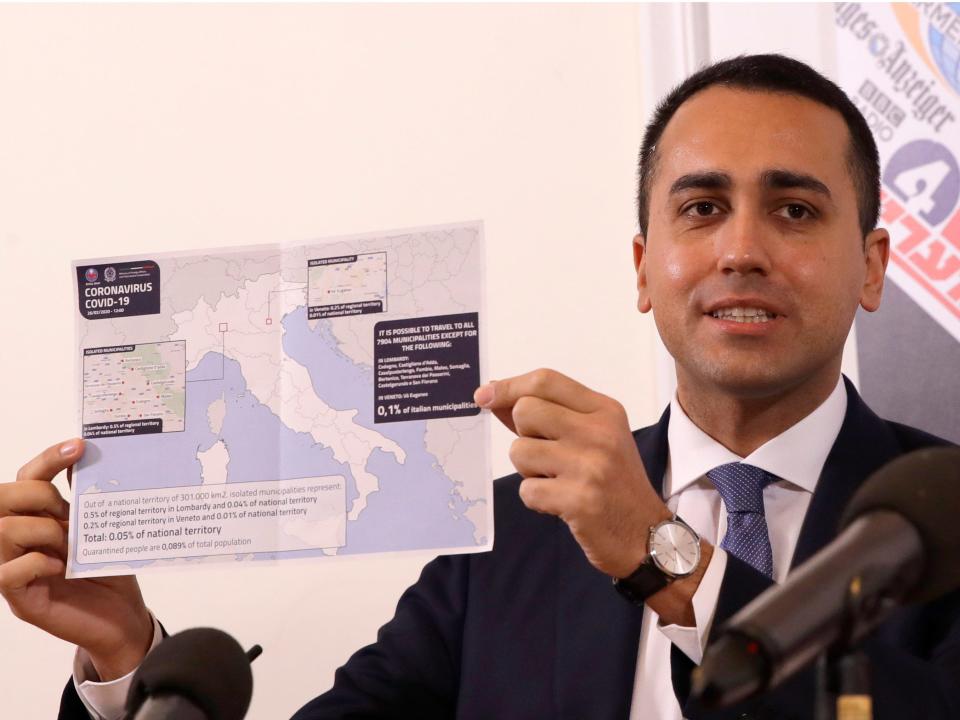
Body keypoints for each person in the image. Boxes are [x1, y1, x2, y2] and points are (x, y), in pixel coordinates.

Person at [2, 53, 958, 720]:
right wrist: (129, 658)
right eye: (702, 208)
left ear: (872, 267)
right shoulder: (503, 543)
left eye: (794, 209)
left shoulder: (943, 520)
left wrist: (666, 562)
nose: (742, 249)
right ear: (641, 266)